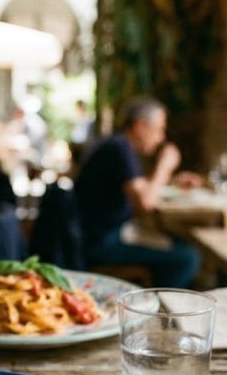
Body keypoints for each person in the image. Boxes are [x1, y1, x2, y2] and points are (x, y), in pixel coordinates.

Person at [73, 95, 201, 288]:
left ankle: (156, 296)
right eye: (159, 129)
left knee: (178, 245)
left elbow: (137, 185)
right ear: (140, 126)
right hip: (102, 244)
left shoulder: (117, 144)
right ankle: (160, 304)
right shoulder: (119, 149)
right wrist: (165, 166)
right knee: (187, 257)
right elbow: (146, 203)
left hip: (105, 235)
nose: (161, 138)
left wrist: (172, 180)